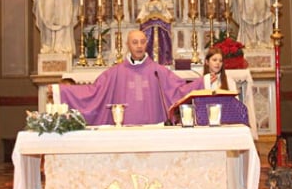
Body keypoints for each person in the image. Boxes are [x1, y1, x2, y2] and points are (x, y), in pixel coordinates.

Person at [52, 30, 194, 125]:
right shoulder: (116, 73)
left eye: (142, 42)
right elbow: (93, 93)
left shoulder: (158, 72)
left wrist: (204, 82)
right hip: (123, 132)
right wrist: (61, 91)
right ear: (127, 45)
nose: (139, 46)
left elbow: (180, 91)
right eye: (135, 42)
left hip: (154, 130)